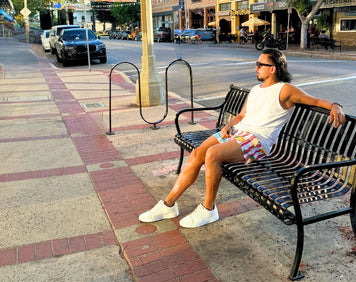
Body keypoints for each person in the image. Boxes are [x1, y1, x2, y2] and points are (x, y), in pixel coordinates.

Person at [138, 49, 345, 228]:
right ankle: (168, 205)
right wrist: (228, 125)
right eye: (256, 64)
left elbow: (315, 100)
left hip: (257, 140)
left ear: (273, 68)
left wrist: (335, 105)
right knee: (198, 152)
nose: (256, 68)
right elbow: (242, 115)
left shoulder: (285, 90)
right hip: (238, 132)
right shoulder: (255, 90)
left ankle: (209, 208)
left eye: (260, 65)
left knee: (212, 155)